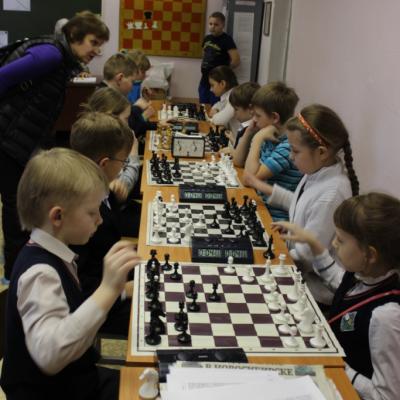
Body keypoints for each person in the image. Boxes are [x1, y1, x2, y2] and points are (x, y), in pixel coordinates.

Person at [0, 147, 140, 399]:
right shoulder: (40, 273)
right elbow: (50, 355)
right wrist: (108, 289)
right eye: (92, 212)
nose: (100, 219)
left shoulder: (55, 253)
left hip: (77, 378)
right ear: (58, 216)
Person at [0, 11, 109, 281]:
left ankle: (21, 268)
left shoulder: (62, 57)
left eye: (100, 45)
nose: (96, 51)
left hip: (20, 138)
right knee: (15, 207)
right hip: (8, 138)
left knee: (22, 204)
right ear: (75, 36)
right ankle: (16, 277)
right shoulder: (51, 54)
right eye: (93, 42)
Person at [272, 193, 400, 400]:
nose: (333, 243)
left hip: (341, 388)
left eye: (341, 239)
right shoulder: (363, 275)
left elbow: (387, 395)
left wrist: (339, 366)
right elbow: (340, 284)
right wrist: (313, 243)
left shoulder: (386, 316)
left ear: (370, 254)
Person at [244, 104, 359, 305]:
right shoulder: (316, 171)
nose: (291, 156)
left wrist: (269, 257)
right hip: (296, 272)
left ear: (321, 152)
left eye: (295, 151)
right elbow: (299, 203)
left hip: (314, 293)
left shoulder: (331, 193)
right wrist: (261, 186)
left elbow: (307, 255)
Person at [70, 112, 135, 336]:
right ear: (104, 163)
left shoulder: (102, 187)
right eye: (123, 162)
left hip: (111, 275)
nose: (123, 168)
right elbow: (78, 285)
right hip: (97, 301)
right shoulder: (80, 213)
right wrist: (123, 290)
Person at [242, 82, 303, 221]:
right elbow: (239, 162)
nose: (254, 120)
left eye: (258, 115)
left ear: (275, 118)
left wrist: (257, 138)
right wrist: (250, 133)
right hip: (262, 207)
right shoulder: (271, 135)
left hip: (275, 219)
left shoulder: (287, 147)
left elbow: (249, 178)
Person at [82, 87, 140, 205]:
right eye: (126, 119)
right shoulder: (105, 144)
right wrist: (133, 153)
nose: (128, 124)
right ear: (111, 117)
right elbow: (123, 188)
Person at [99, 52, 157, 154]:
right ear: (120, 78)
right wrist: (137, 108)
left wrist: (157, 126)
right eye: (132, 82)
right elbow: (127, 131)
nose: (132, 88)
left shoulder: (108, 94)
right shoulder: (107, 100)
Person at [199, 11, 240, 105]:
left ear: (222, 25)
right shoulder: (207, 38)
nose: (212, 27)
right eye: (210, 24)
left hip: (218, 82)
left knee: (216, 106)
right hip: (204, 79)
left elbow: (236, 60)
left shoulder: (227, 39)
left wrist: (224, 71)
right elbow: (204, 54)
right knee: (203, 105)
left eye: (216, 24)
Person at [226, 81, 260, 165]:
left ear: (250, 109)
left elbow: (242, 160)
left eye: (236, 109)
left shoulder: (253, 130)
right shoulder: (244, 126)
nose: (234, 113)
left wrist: (232, 151)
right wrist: (233, 140)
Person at [207, 65, 240, 136]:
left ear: (222, 84)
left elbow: (219, 120)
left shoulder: (235, 96)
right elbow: (215, 107)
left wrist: (215, 115)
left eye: (212, 85)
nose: (211, 89)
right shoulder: (228, 94)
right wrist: (217, 110)